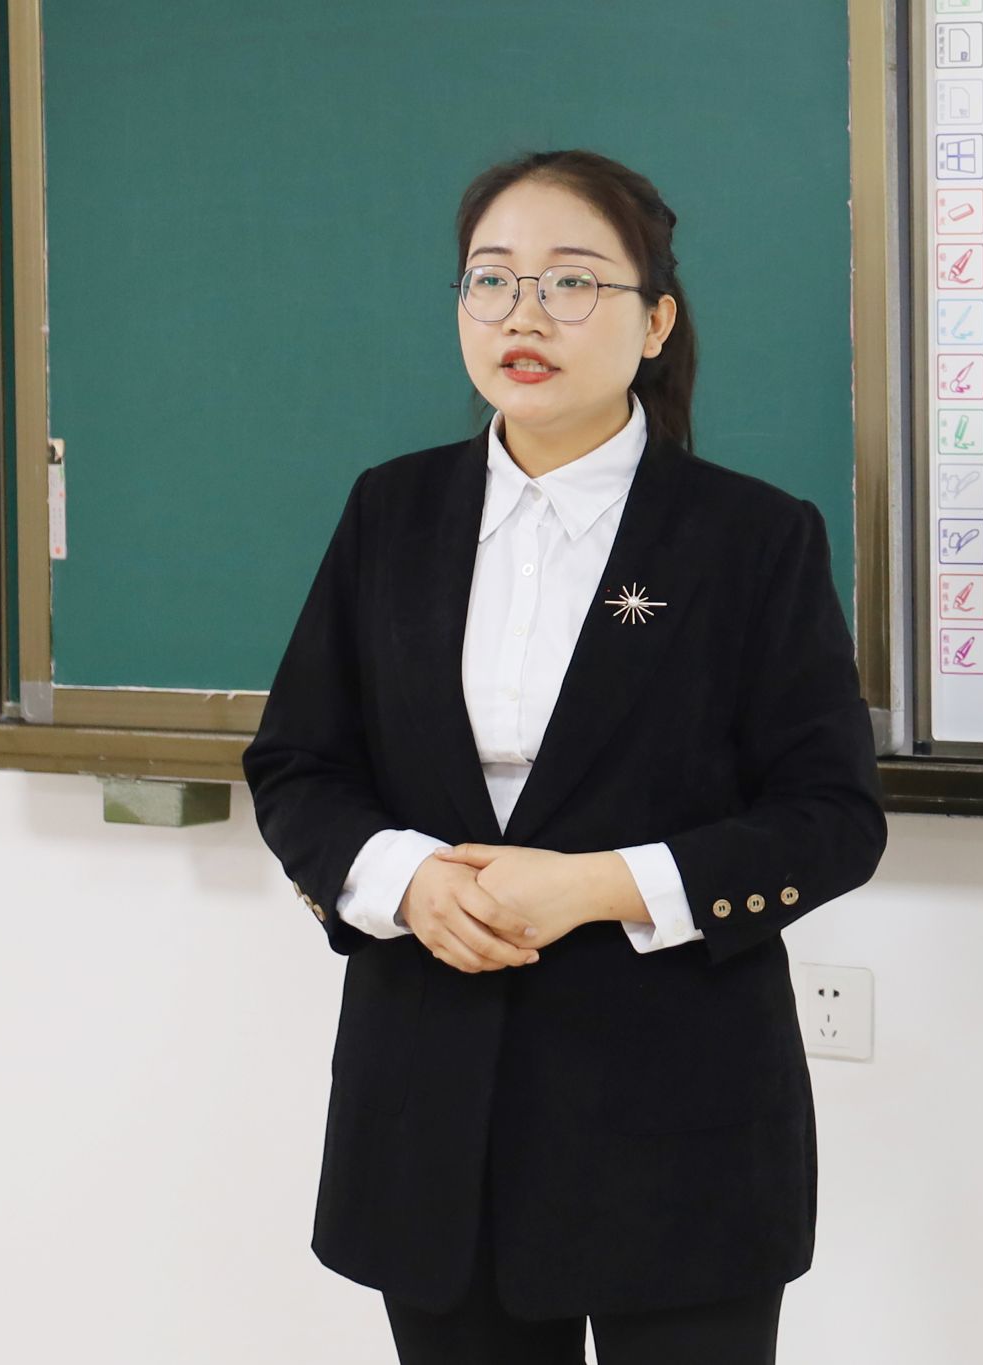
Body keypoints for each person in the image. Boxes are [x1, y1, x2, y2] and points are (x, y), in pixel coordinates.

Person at [241, 148, 888, 1364]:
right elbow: (297, 765)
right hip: (431, 1108)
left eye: (571, 282)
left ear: (655, 322)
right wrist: (405, 880)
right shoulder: (391, 511)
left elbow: (830, 818)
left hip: (677, 1117)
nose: (522, 316)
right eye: (490, 280)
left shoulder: (749, 537)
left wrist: (595, 886)